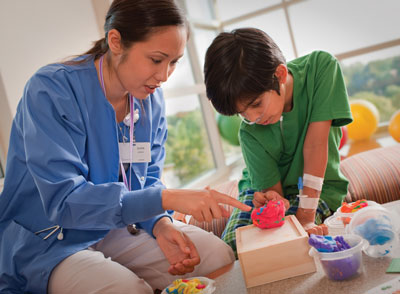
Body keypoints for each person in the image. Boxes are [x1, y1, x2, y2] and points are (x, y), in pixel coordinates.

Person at [0, 1, 251, 293]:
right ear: (116, 41)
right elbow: (64, 201)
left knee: (216, 256)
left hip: (113, 225)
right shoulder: (50, 91)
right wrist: (165, 200)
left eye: (174, 61)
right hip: (51, 238)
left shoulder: (150, 100)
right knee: (128, 289)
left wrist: (159, 224)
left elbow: (148, 177)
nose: (165, 75)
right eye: (157, 59)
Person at [204, 28, 353, 255]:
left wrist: (305, 218)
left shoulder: (321, 68)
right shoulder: (249, 133)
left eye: (255, 104)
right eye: (241, 113)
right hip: (264, 192)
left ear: (280, 75)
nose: (253, 119)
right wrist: (273, 202)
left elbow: (315, 146)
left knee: (295, 245)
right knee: (236, 248)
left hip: (319, 190)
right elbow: (274, 193)